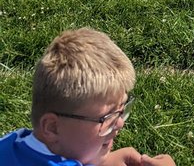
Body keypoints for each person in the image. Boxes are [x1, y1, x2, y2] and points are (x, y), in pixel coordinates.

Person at [0, 27, 175, 166]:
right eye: (107, 117)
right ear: (52, 127)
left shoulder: (11, 143)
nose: (120, 123)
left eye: (122, 109)